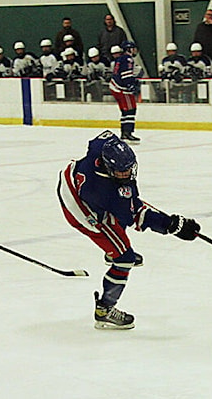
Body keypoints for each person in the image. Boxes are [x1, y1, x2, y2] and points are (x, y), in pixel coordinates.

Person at [56, 131, 200, 329]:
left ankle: (112, 252)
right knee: (125, 258)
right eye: (120, 172)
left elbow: (102, 138)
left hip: (70, 178)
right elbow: (138, 217)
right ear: (107, 167)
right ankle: (104, 310)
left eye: (127, 169)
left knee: (121, 213)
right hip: (80, 209)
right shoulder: (106, 192)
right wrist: (172, 226)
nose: (126, 175)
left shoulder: (102, 147)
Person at [110, 41, 141, 143]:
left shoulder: (120, 59)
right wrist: (130, 85)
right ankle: (127, 133)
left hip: (116, 87)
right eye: (133, 48)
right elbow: (126, 75)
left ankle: (124, 133)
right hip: (122, 89)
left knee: (125, 110)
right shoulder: (127, 59)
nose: (134, 50)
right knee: (130, 109)